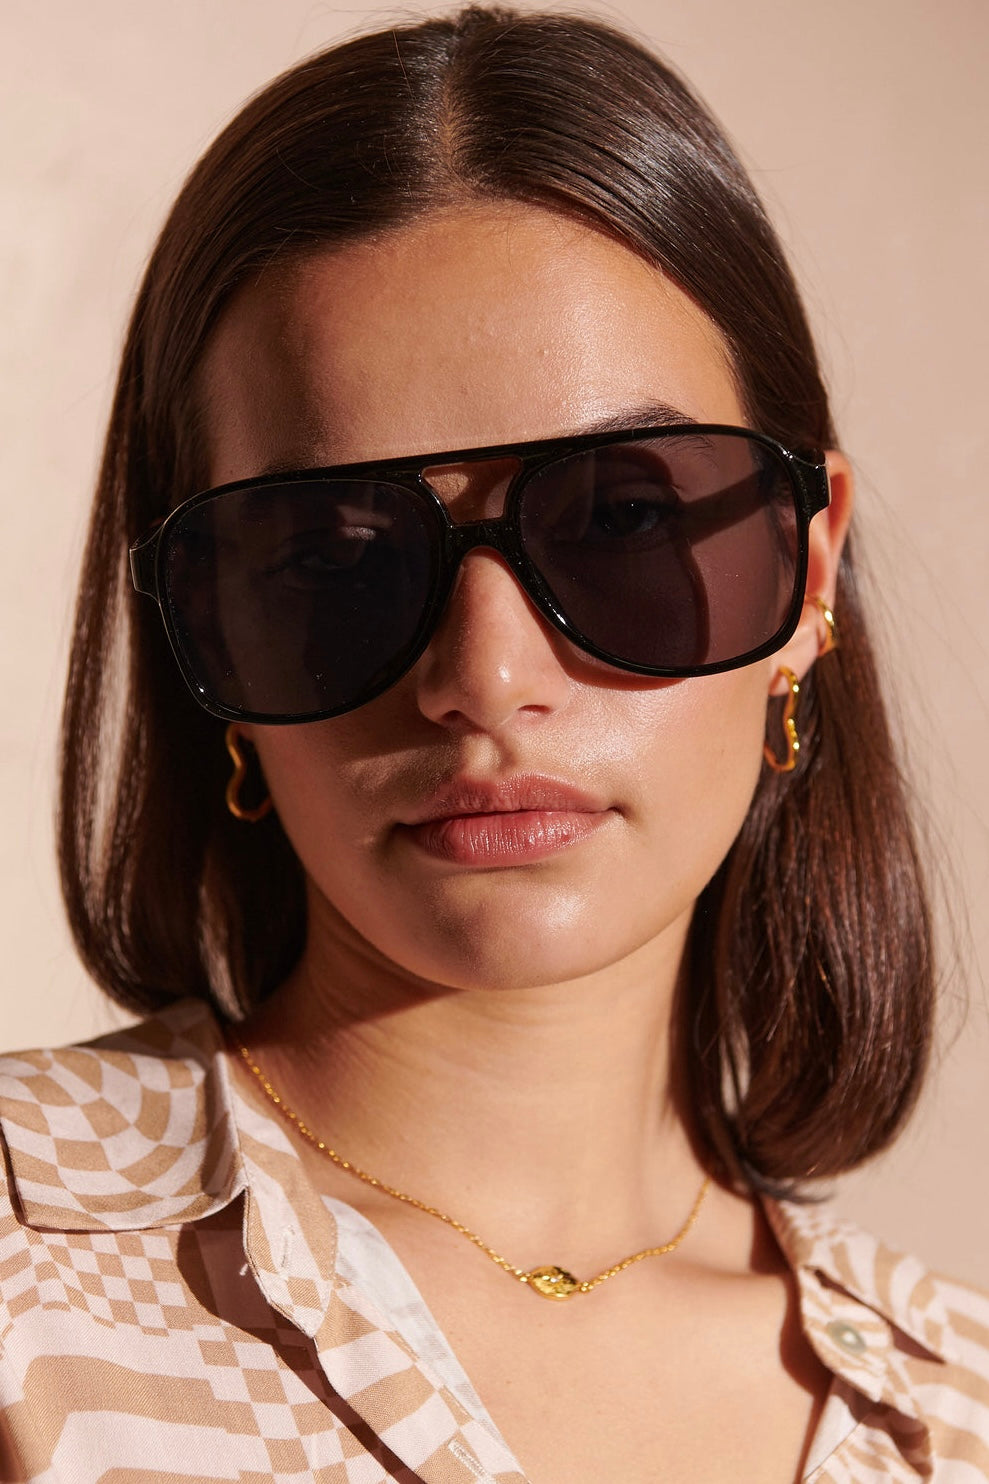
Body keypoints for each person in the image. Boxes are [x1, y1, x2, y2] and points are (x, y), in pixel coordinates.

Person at [1, 6, 986, 1481]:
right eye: (333, 555)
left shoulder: (953, 1414)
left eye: (624, 521)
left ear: (810, 570)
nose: (484, 675)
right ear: (196, 628)